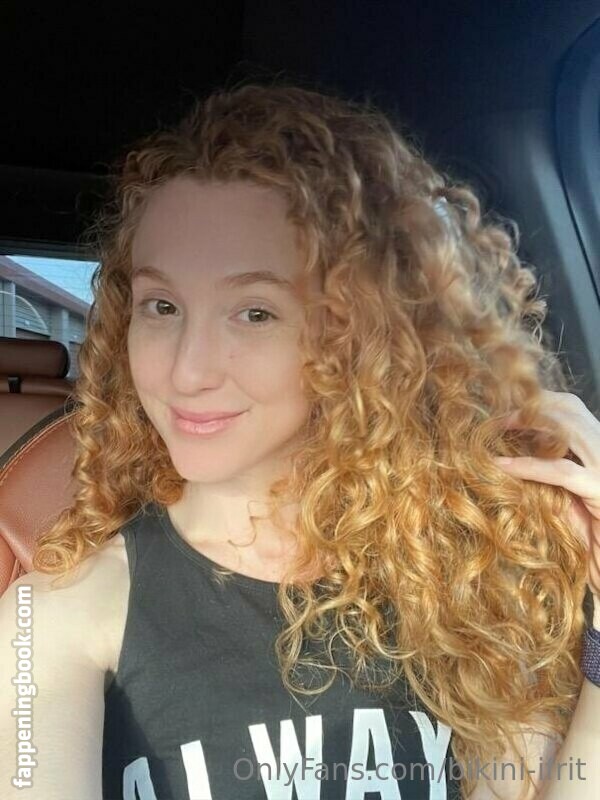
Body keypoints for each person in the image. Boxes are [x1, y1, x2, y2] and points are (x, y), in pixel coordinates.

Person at [0, 81, 599, 800]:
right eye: (162, 306)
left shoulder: (467, 576)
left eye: (254, 312)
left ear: (360, 335)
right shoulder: (56, 615)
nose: (187, 371)